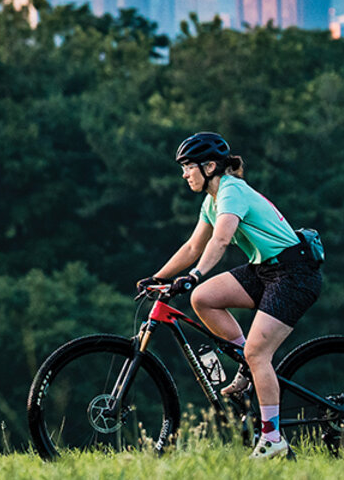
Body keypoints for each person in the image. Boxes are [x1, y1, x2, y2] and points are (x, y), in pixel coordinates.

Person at [138, 131, 321, 460]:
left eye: (188, 167)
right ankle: (246, 366)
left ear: (209, 166)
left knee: (258, 353)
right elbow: (193, 246)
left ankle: (272, 440)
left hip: (294, 274)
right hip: (265, 270)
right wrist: (159, 277)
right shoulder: (211, 201)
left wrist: (194, 275)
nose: (184, 174)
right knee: (203, 298)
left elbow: (220, 241)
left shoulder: (231, 191)